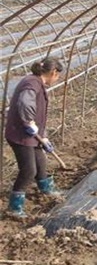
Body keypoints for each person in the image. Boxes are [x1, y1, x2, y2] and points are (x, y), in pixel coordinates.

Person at [5, 58, 64, 218]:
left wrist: (43, 137)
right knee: (29, 170)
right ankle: (14, 207)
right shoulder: (31, 84)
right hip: (20, 135)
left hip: (31, 134)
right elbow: (24, 104)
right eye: (58, 76)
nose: (57, 79)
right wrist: (29, 122)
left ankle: (46, 188)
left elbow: (39, 118)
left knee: (41, 162)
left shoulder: (37, 83)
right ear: (53, 73)